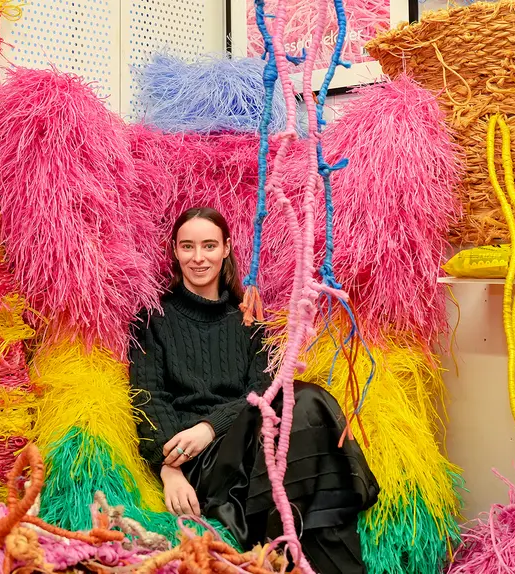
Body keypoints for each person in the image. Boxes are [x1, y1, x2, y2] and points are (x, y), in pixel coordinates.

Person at [128, 206, 379, 574]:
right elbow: (148, 398)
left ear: (227, 248)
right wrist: (170, 470)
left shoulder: (249, 319)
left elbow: (264, 390)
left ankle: (292, 558)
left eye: (209, 246)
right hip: (197, 461)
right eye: (188, 247)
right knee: (304, 401)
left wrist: (210, 426)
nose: (198, 258)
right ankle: (292, 560)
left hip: (248, 443)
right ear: (175, 251)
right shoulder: (152, 318)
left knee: (302, 402)